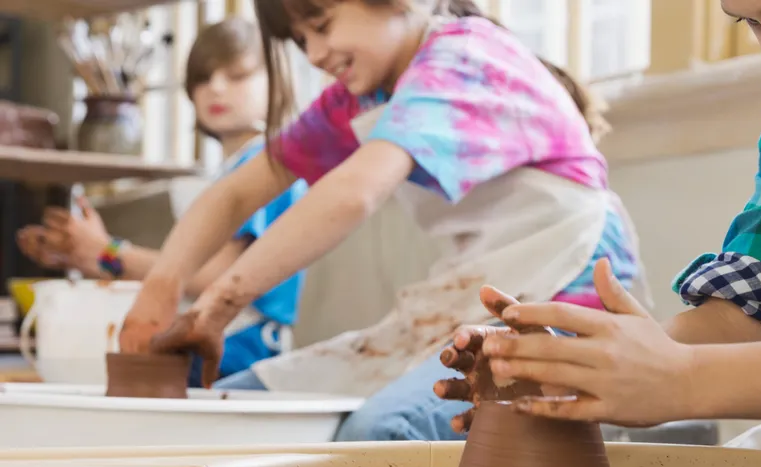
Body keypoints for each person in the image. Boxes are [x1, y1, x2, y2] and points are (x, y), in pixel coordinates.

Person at [435, 0, 761, 467]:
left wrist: (685, 380)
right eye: (751, 23)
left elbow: (687, 376)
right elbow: (756, 296)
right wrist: (596, 370)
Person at [114, 0, 650, 439]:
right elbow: (237, 190)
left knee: (379, 434)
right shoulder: (362, 98)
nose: (316, 53)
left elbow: (355, 191)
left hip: (566, 310)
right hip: (478, 308)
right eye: (301, 40)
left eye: (320, 24)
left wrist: (218, 304)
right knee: (242, 412)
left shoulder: (462, 56)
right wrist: (160, 288)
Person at [16, 18, 309, 388]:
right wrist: (91, 256)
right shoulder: (230, 170)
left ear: (278, 81)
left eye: (237, 76)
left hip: (242, 348)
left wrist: (107, 253)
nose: (216, 88)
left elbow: (212, 278)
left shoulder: (267, 164)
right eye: (204, 78)